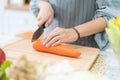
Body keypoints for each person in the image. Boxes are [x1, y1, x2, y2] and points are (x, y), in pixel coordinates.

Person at [30, 0, 120, 50]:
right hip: (49, 47)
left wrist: (76, 32)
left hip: (85, 49)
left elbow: (112, 15)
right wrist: (43, 4)